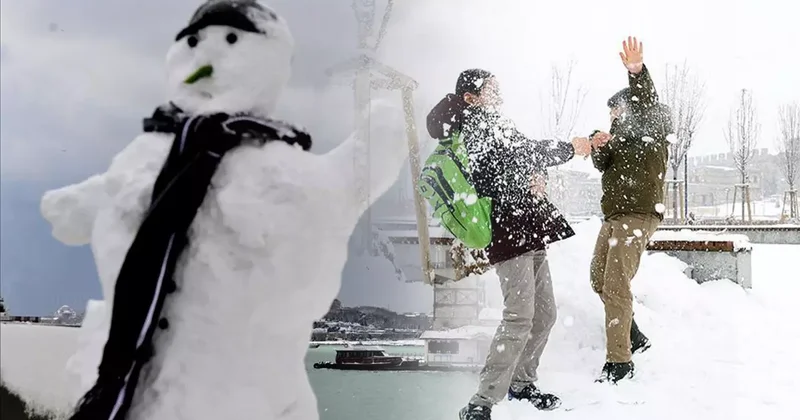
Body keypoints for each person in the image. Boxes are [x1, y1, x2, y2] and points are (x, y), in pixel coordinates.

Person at [426, 69, 593, 420]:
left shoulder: (494, 122)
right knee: (519, 317)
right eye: (490, 87)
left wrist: (538, 178)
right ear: (471, 97)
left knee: (545, 315)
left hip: (527, 226)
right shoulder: (474, 125)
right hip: (507, 231)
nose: (498, 91)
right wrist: (570, 149)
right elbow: (521, 154)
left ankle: (522, 382)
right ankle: (480, 402)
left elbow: (518, 161)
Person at [589, 37, 673, 383]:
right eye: (610, 113)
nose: (613, 116)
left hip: (638, 215)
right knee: (598, 278)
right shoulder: (619, 138)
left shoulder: (650, 124)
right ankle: (632, 334)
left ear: (630, 107)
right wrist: (598, 143)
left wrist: (636, 72)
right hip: (615, 217)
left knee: (616, 284)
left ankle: (620, 363)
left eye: (616, 110)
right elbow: (602, 164)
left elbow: (646, 100)